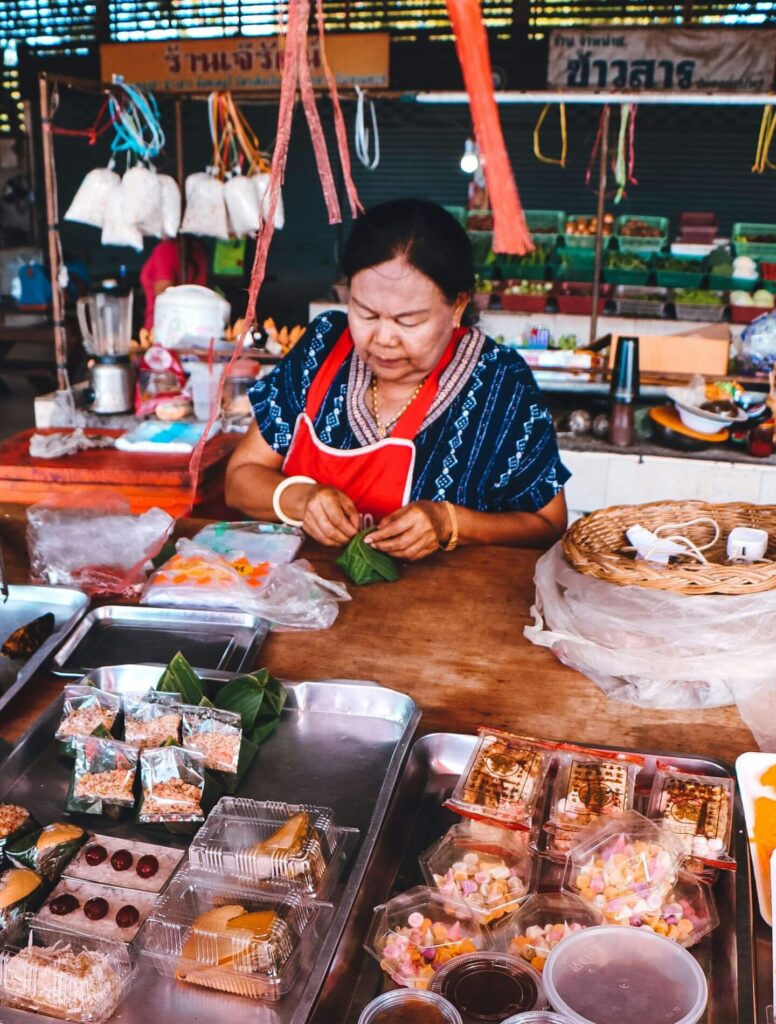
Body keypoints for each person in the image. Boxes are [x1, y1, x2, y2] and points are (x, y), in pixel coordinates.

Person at [226, 199, 569, 561]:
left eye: (409, 321)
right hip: (300, 594)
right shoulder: (321, 349)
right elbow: (240, 479)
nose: (384, 339)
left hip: (442, 609)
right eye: (366, 313)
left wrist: (451, 523)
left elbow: (547, 524)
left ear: (457, 306)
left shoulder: (500, 385)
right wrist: (300, 499)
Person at [140, 236, 208, 330]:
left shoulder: (165, 250)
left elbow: (163, 295)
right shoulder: (199, 252)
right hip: (195, 327)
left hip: (163, 330)